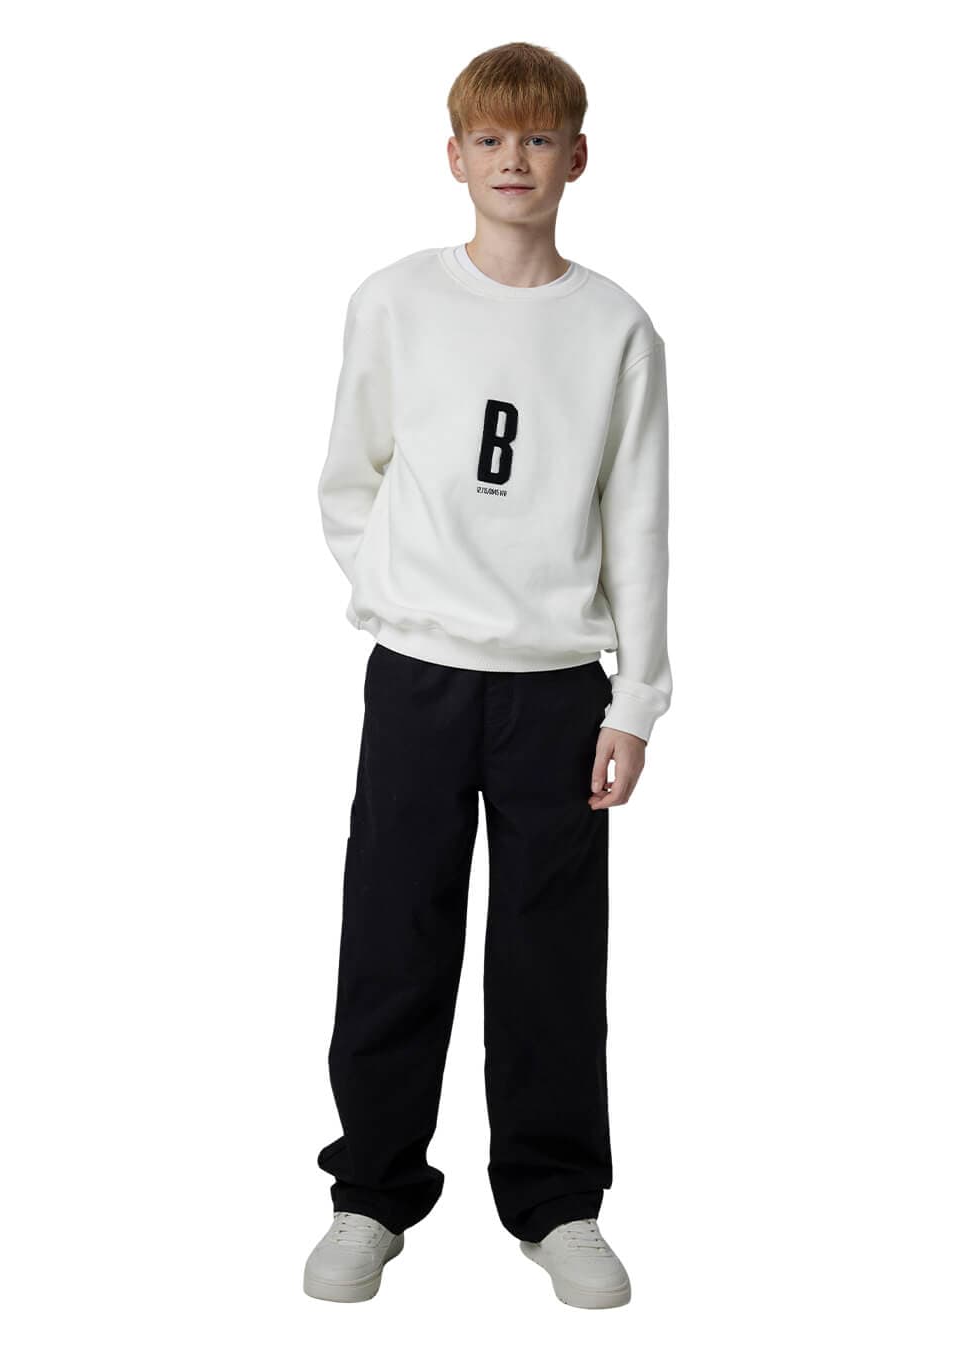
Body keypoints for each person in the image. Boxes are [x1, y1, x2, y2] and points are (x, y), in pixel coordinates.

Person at [303, 41, 671, 1310]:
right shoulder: (396, 302)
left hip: (557, 684)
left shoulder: (616, 328)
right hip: (420, 676)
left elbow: (637, 521)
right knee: (393, 931)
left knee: (549, 952)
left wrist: (635, 697)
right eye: (493, 140)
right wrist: (407, 591)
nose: (517, 160)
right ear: (454, 158)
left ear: (579, 157)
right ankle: (371, 1193)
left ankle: (557, 1202)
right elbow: (350, 476)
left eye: (540, 139)